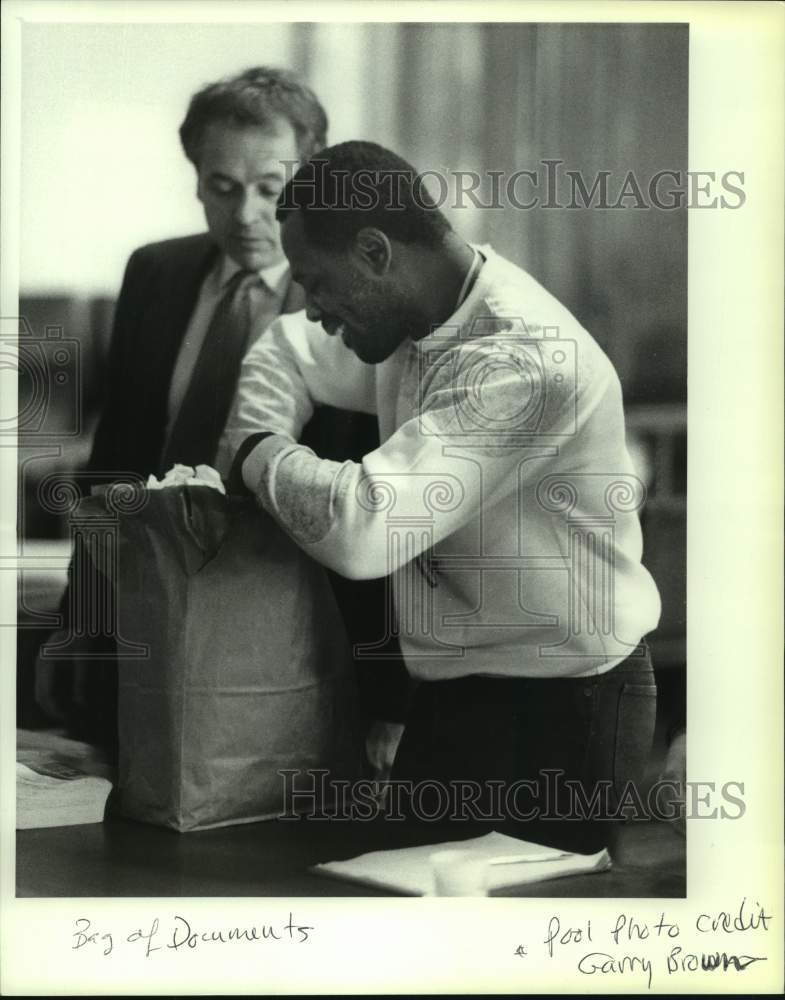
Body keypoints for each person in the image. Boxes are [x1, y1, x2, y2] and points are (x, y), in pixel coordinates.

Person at [222, 140, 663, 853]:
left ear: (374, 252)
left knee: (527, 941)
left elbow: (365, 530)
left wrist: (255, 454)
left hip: (569, 705)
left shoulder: (522, 360)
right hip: (455, 691)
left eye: (316, 284)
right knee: (410, 919)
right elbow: (282, 349)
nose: (313, 311)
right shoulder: (410, 312)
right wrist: (260, 423)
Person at [37, 72, 407, 761]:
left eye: (272, 189)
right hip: (151, 616)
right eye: (222, 187)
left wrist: (387, 697)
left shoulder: (357, 295)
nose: (246, 215)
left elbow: (385, 503)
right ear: (196, 178)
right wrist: (77, 621)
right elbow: (113, 465)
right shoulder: (155, 273)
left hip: (298, 638)